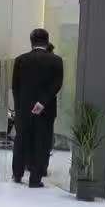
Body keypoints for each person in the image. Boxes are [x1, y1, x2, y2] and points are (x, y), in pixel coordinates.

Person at [11, 28, 63, 188]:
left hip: (23, 109)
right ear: (47, 42)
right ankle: (35, 179)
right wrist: (42, 102)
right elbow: (57, 84)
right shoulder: (56, 60)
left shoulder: (20, 60)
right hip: (46, 110)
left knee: (21, 140)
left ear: (31, 42)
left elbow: (15, 87)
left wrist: (19, 108)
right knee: (42, 141)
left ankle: (18, 174)